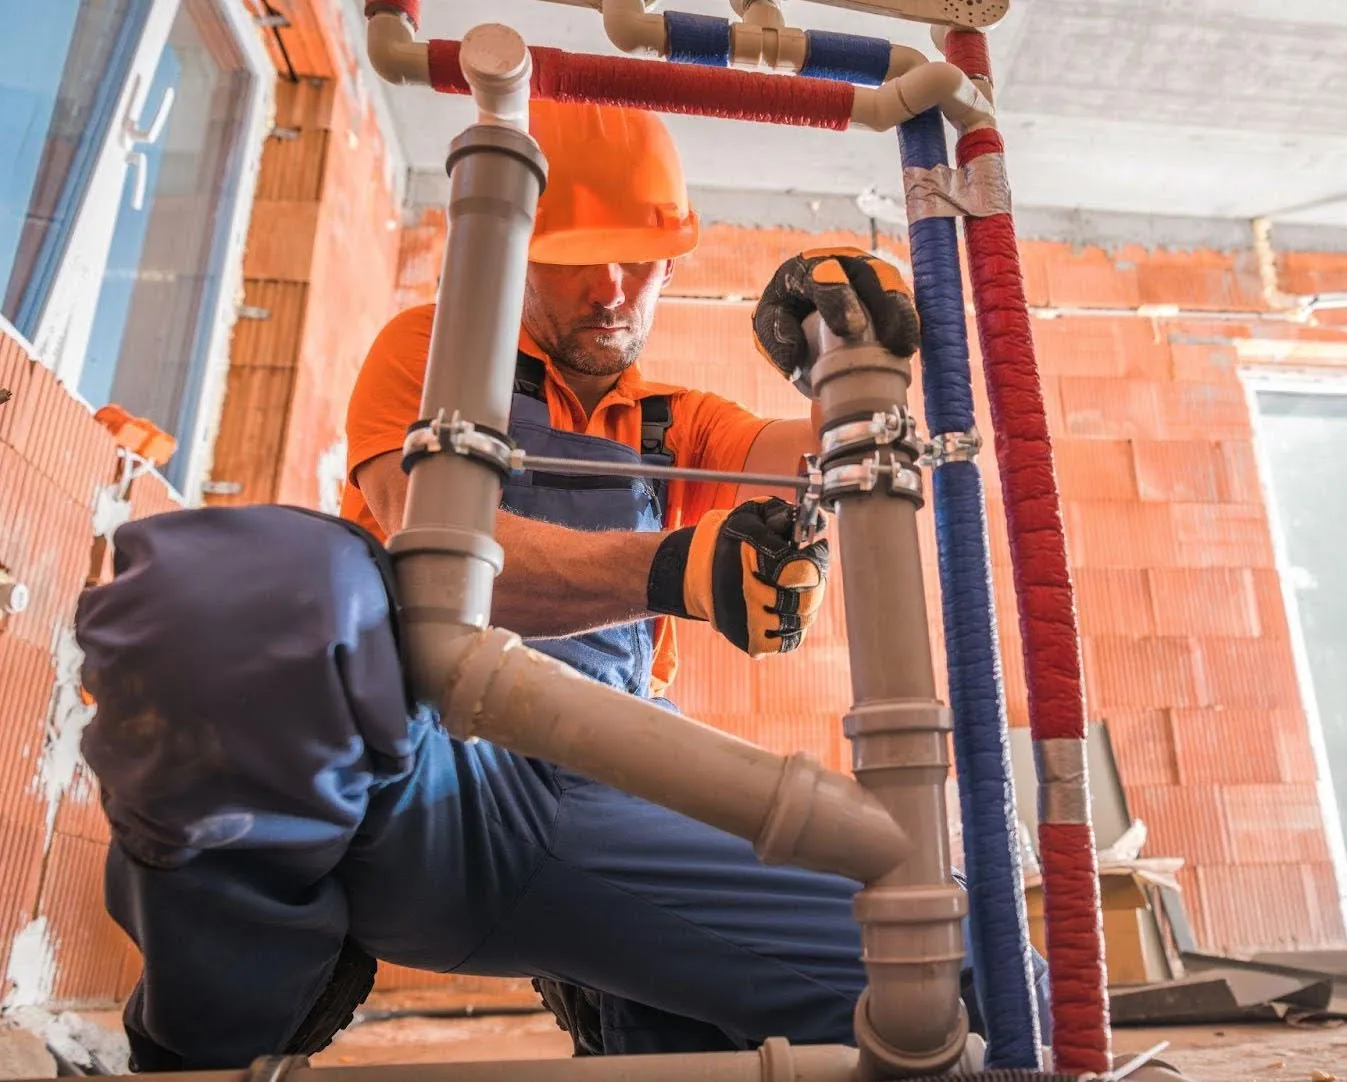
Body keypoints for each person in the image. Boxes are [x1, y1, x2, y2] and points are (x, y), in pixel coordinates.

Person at [75, 99, 1044, 1072]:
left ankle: (643, 1007)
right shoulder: (438, 352)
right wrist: (672, 566)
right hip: (417, 761)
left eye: (638, 256)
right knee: (251, 584)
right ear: (515, 257)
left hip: (599, 775)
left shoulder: (679, 424)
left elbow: (808, 457)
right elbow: (437, 539)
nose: (612, 287)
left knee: (968, 982)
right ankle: (214, 1035)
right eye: (575, 255)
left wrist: (856, 360)